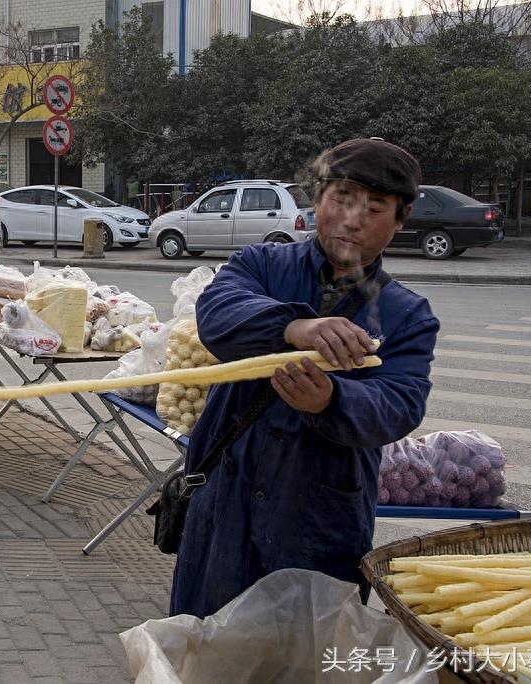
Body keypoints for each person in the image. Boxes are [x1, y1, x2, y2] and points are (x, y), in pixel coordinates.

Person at [169, 138, 441, 618]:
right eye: (341, 199)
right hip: (227, 492)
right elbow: (217, 314)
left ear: (400, 220)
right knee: (207, 642)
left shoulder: (408, 315)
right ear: (318, 200)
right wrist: (294, 326)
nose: (352, 219)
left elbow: (400, 403)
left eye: (374, 208)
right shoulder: (261, 265)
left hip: (317, 512)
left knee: (305, 650)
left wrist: (330, 401)